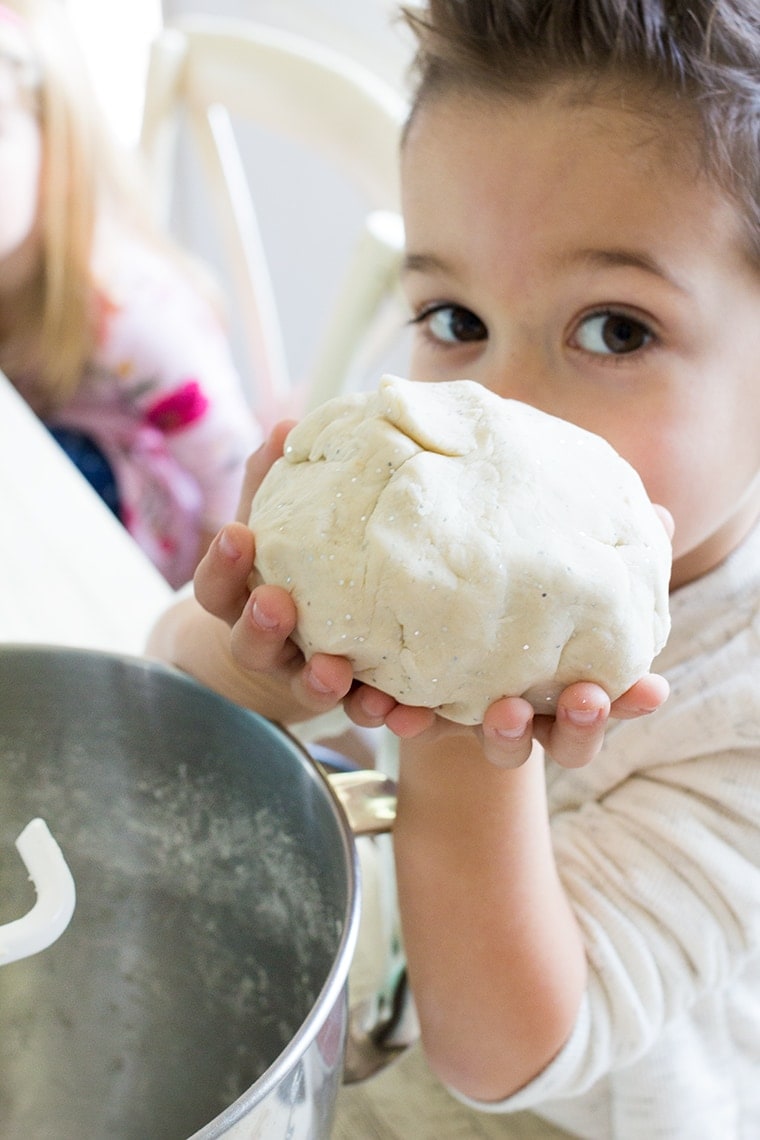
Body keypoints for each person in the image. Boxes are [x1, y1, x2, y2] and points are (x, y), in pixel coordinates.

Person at [147, 1, 760, 1136]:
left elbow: (505, 1052)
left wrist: (471, 737)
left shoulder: (739, 706)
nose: (497, 404)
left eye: (615, 330)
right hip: (389, 1036)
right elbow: (162, 694)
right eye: (453, 315)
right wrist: (259, 665)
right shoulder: (407, 527)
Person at [0, 0, 260, 589]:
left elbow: (235, 478)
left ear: (55, 149)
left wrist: (195, 615)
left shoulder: (131, 313)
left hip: (138, 553)